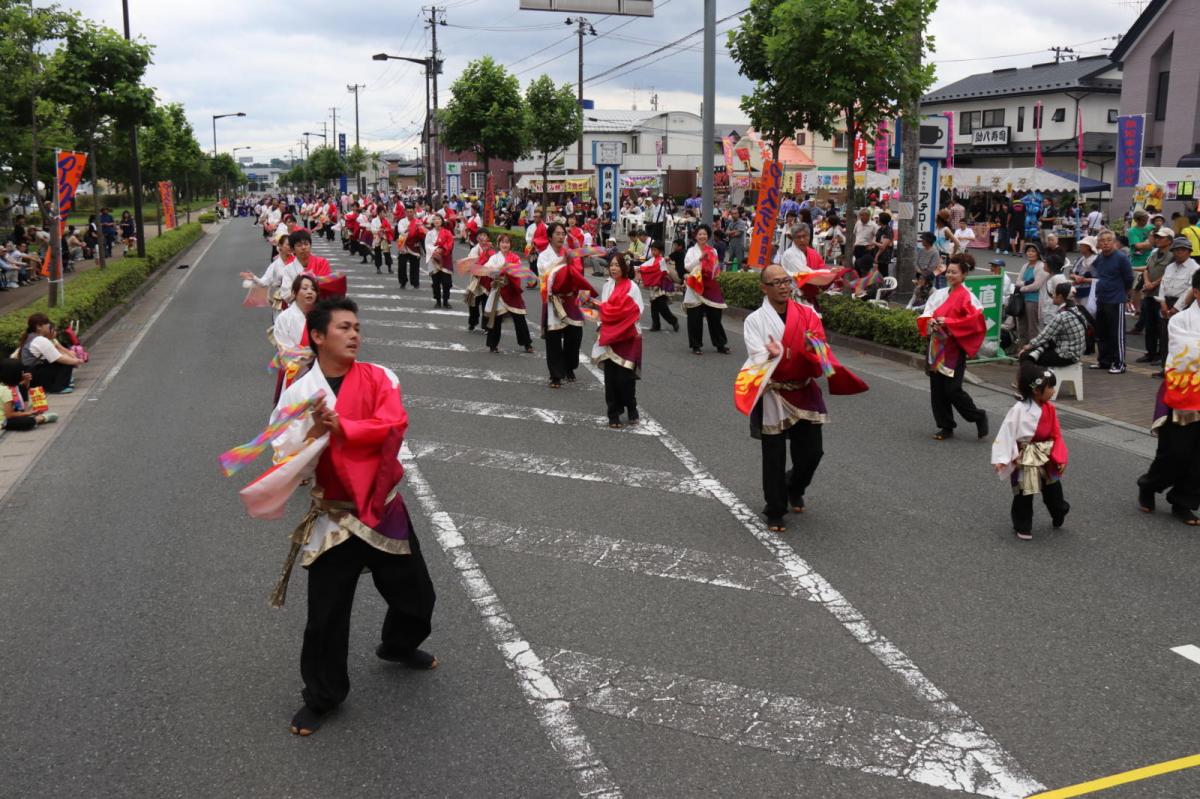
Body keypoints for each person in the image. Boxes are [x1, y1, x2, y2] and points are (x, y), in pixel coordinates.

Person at [258, 297, 437, 736]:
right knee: (326, 615)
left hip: (382, 506)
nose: (355, 334)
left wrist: (344, 428)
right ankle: (322, 695)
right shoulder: (299, 394)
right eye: (343, 327)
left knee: (416, 596)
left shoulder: (380, 377)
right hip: (334, 517)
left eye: (357, 326)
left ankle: (397, 645)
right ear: (318, 337)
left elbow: (394, 424)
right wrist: (318, 430)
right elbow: (284, 459)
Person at [735, 264, 868, 532]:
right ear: (764, 288)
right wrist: (770, 353)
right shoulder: (755, 321)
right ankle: (774, 509)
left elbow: (819, 344)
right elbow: (754, 353)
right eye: (776, 282)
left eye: (786, 281)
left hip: (803, 389)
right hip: (773, 391)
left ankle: (794, 485)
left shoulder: (807, 313)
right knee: (773, 455)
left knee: (812, 453)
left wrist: (813, 347)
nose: (783, 286)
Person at [1139, 269, 1200, 525]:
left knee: (1198, 454)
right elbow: (1184, 355)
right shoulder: (1181, 320)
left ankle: (1183, 500)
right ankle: (1149, 485)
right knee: (1175, 451)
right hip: (1184, 390)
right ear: (1196, 292)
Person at [991, 360, 1070, 540]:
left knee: (1053, 491)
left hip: (1046, 454)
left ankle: (1059, 511)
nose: (1053, 391)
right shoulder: (1018, 410)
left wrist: (1060, 457)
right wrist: (1002, 459)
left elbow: (1056, 434)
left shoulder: (1050, 409)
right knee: (1024, 492)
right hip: (1025, 455)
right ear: (1036, 390)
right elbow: (1007, 433)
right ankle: (1022, 524)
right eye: (1050, 388)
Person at [918, 258, 988, 440]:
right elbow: (927, 312)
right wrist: (930, 321)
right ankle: (945, 426)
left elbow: (975, 322)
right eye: (948, 271)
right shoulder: (939, 294)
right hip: (936, 346)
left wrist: (949, 322)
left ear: (964, 275)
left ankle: (978, 416)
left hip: (954, 348)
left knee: (953, 390)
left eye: (954, 272)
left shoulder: (968, 297)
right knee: (937, 389)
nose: (950, 275)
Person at [591, 254, 644, 428]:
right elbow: (605, 309)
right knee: (611, 378)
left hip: (627, 336)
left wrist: (605, 312)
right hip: (610, 337)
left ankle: (631, 406)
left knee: (625, 378)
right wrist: (602, 322)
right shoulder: (608, 285)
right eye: (611, 265)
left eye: (617, 265)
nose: (613, 268)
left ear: (624, 268)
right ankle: (613, 414)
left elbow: (633, 311)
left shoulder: (632, 287)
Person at [538, 222, 591, 388]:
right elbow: (545, 274)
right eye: (558, 233)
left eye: (563, 234)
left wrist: (582, 288)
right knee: (553, 340)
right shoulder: (544, 256)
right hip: (554, 299)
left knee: (574, 336)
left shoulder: (569, 253)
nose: (561, 236)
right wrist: (562, 262)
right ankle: (556, 375)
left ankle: (569, 367)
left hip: (570, 299)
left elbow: (577, 272)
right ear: (550, 237)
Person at [1152, 237, 1200, 377]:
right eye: (1176, 250)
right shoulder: (1170, 267)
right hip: (1166, 302)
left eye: (1182, 250)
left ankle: (1180, 368)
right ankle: (1165, 367)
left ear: (1189, 252)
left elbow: (1190, 290)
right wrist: (1162, 303)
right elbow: (1163, 285)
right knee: (1165, 336)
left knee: (1182, 339)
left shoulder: (1195, 268)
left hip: (1183, 305)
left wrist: (1176, 309)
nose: (1179, 253)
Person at [1090, 230, 1135, 374]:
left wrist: (1125, 294)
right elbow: (1095, 273)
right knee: (1102, 333)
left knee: (1117, 334)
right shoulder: (1100, 258)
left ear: (1114, 242)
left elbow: (1129, 278)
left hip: (1116, 300)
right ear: (1098, 243)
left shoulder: (1121, 258)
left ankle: (1119, 363)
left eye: (1109, 240)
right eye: (1102, 240)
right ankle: (1104, 361)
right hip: (1101, 298)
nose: (1105, 243)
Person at [270, 274, 319, 402]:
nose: (310, 291)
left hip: (320, 374)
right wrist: (316, 353)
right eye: (305, 288)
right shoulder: (284, 318)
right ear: (294, 293)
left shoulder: (322, 317)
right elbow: (286, 353)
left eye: (313, 289)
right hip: (296, 375)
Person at [483, 233, 535, 354]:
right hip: (498, 291)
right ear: (498, 244)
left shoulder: (515, 257)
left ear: (510, 244)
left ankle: (527, 343)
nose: (504, 244)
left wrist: (507, 269)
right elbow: (487, 269)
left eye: (507, 242)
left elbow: (517, 271)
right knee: (496, 318)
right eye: (502, 242)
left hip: (511, 290)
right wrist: (496, 271)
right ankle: (493, 345)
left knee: (519, 318)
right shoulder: (494, 258)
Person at [682, 224, 730, 355]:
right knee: (695, 317)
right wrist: (699, 259)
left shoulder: (713, 251)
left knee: (715, 316)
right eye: (700, 234)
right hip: (696, 287)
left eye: (704, 234)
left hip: (711, 287)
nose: (702, 236)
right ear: (696, 236)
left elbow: (716, 267)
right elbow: (687, 267)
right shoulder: (691, 251)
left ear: (708, 236)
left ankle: (720, 344)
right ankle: (696, 345)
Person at [1019, 283, 1087, 366]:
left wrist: (1029, 346)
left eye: (1054, 293)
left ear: (1060, 297)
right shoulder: (1076, 310)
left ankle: (1035, 378)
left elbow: (1045, 335)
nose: (1052, 296)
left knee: (1026, 356)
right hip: (1076, 352)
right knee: (1040, 350)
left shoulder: (1062, 316)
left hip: (1065, 355)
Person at [17, 314, 84, 394]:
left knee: (64, 360)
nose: (49, 325)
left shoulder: (32, 337)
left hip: (31, 375)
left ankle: (54, 385)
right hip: (33, 376)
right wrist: (77, 361)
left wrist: (73, 360)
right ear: (39, 326)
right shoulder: (40, 340)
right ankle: (58, 387)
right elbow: (59, 358)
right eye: (47, 323)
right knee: (66, 362)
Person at [1137, 227, 1175, 363]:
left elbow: (1168, 275)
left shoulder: (1173, 255)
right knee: (1149, 324)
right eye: (1156, 237)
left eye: (1161, 237)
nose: (1157, 239)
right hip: (1149, 293)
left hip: (1162, 295)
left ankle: (1161, 354)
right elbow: (1146, 269)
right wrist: (1147, 282)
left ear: (1169, 240)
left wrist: (1153, 284)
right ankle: (1150, 353)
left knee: (1161, 326)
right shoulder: (1154, 253)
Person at [0, 358, 56, 430]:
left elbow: (21, 388)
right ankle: (40, 419)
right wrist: (29, 413)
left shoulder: (5, 386)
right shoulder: (6, 392)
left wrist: (25, 381)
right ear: (16, 375)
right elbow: (9, 415)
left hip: (10, 412)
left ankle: (24, 413)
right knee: (27, 422)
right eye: (21, 372)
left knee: (21, 388)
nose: (23, 374)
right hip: (4, 420)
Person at [636, 240, 678, 333]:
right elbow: (643, 267)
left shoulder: (661, 260)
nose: (653, 252)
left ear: (660, 251)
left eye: (655, 250)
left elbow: (663, 272)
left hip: (661, 286)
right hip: (654, 286)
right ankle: (656, 324)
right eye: (652, 250)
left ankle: (673, 320)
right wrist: (638, 269)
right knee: (654, 306)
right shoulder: (651, 261)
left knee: (662, 306)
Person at [1013, 244, 1049, 344]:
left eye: (1033, 251)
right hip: (1022, 299)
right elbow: (1018, 281)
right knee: (1022, 325)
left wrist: (1022, 288)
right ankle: (1022, 348)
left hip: (1033, 299)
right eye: (1028, 251)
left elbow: (1036, 285)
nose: (1030, 253)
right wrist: (1025, 283)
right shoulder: (1025, 266)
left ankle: (1032, 349)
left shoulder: (1041, 266)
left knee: (1032, 326)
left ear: (1038, 253)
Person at [464, 228, 495, 333]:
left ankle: (486, 326)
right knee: (473, 303)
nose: (482, 237)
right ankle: (472, 322)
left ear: (488, 237)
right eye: (480, 235)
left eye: (484, 235)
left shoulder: (491, 250)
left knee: (487, 304)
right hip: (476, 281)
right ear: (477, 238)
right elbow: (470, 264)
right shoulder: (474, 249)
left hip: (487, 281)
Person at [425, 213, 455, 308]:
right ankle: (438, 301)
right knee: (436, 282)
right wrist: (435, 251)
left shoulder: (447, 232)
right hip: (434, 260)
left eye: (439, 219)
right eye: (435, 219)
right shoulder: (429, 233)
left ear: (442, 221)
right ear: (432, 222)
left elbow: (450, 244)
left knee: (447, 282)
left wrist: (442, 250)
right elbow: (427, 245)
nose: (437, 221)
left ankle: (446, 301)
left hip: (445, 259)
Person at [396, 207, 425, 290]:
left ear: (414, 212)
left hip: (414, 244)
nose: (409, 213)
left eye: (411, 212)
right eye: (408, 212)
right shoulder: (402, 221)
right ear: (405, 212)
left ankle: (415, 282)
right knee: (401, 265)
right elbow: (401, 231)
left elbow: (422, 232)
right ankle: (403, 282)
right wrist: (410, 229)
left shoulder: (418, 222)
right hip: (403, 243)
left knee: (415, 265)